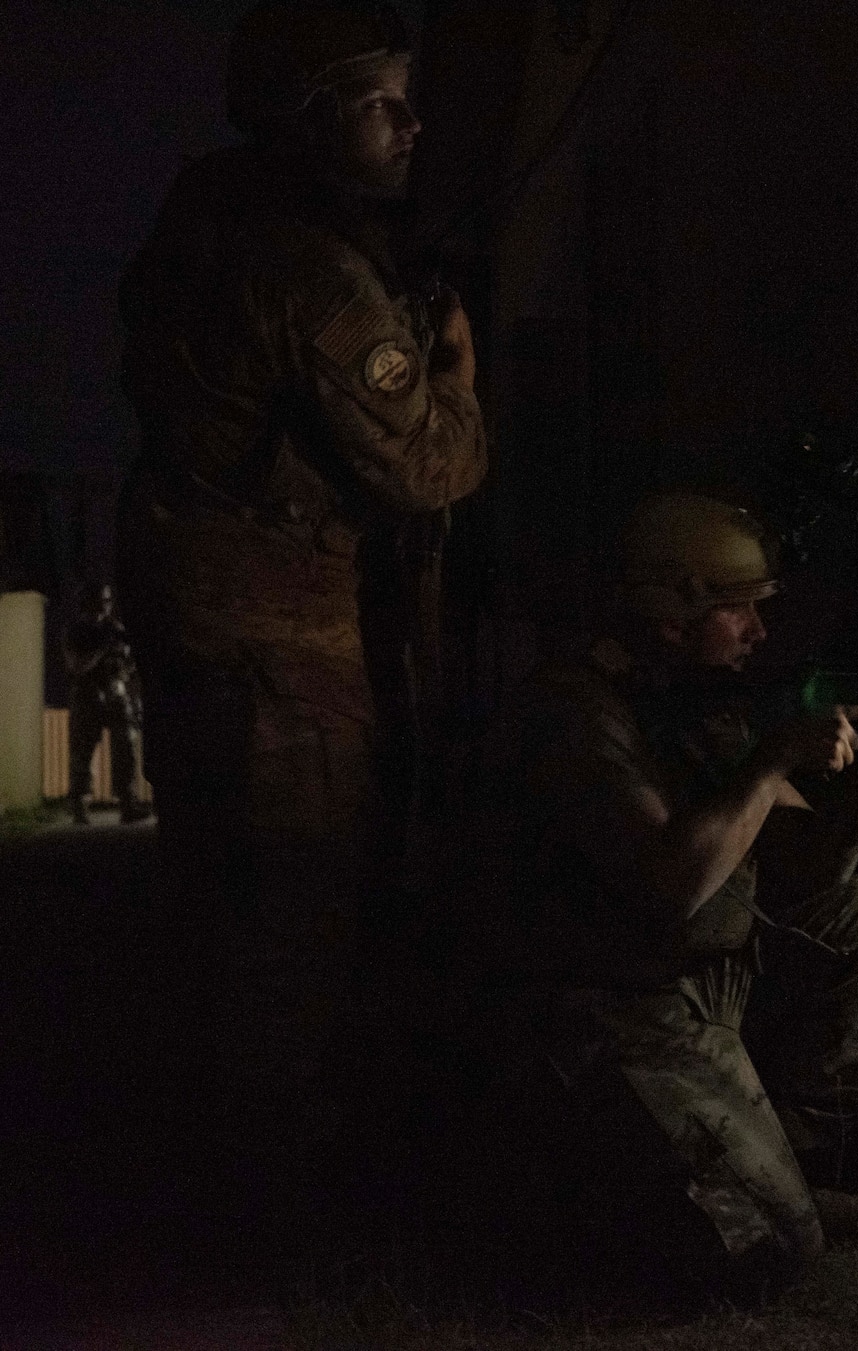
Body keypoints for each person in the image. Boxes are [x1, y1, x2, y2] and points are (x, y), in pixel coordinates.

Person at [114, 0, 486, 1261]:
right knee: (298, 915)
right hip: (281, 640)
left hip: (201, 616)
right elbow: (426, 467)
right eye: (383, 102)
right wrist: (452, 365)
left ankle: (204, 1180)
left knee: (214, 906)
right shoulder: (313, 268)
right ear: (314, 112)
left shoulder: (199, 216)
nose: (411, 124)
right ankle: (274, 1225)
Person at [500, 492, 858, 1295]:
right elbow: (668, 885)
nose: (759, 632)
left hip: (709, 983)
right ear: (674, 615)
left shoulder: (692, 701)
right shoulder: (575, 713)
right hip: (617, 1015)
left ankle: (788, 1164)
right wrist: (770, 761)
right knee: (780, 1251)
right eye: (739, 611)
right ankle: (745, 1200)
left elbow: (818, 876)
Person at [62, 583, 147, 826]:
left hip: (115, 694)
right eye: (101, 600)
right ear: (88, 602)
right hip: (87, 695)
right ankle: (79, 805)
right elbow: (76, 667)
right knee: (83, 751)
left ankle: (128, 804)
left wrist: (126, 668)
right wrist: (103, 649)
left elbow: (129, 663)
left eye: (108, 600)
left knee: (125, 747)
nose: (106, 605)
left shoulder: (115, 629)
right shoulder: (76, 630)